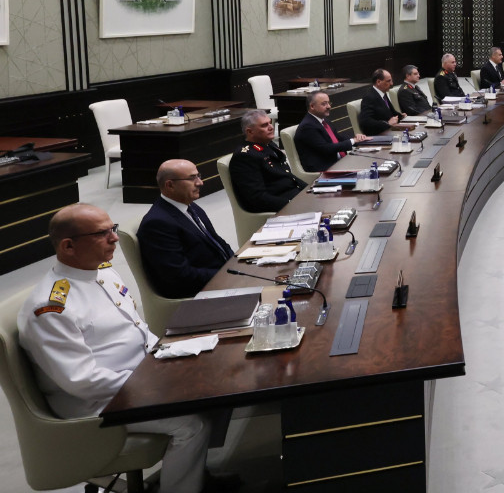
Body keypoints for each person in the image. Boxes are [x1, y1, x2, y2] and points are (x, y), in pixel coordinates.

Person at [18, 204, 218, 493]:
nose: (114, 238)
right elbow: (83, 381)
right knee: (191, 424)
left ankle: (200, 477)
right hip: (99, 403)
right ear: (68, 246)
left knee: (214, 377)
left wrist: (172, 357)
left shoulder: (102, 272)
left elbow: (137, 328)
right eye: (102, 234)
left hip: (140, 375)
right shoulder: (51, 307)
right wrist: (158, 382)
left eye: (113, 229)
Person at [136, 159, 236, 299]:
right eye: (191, 178)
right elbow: (180, 276)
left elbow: (217, 241)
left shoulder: (190, 206)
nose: (200, 182)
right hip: (198, 293)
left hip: (221, 276)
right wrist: (227, 274)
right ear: (170, 185)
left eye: (198, 176)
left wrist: (236, 263)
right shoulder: (157, 224)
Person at [228, 110, 306, 214]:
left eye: (270, 123)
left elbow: (287, 176)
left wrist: (309, 189)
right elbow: (257, 198)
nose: (271, 127)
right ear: (250, 131)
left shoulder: (269, 144)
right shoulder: (245, 156)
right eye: (264, 125)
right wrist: (292, 204)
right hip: (279, 206)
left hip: (293, 194)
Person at [294, 90, 369, 172]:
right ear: (312, 106)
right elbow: (326, 148)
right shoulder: (307, 127)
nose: (329, 106)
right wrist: (352, 141)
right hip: (324, 168)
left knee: (369, 163)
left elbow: (338, 138)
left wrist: (357, 139)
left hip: (338, 162)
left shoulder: (324, 121)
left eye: (329, 103)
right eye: (324, 104)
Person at [357, 68, 400, 135]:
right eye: (388, 81)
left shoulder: (382, 93)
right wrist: (387, 123)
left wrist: (402, 116)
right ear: (378, 82)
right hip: (380, 134)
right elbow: (365, 122)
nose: (392, 83)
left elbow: (391, 113)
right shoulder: (369, 97)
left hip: (390, 130)